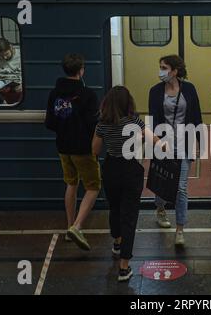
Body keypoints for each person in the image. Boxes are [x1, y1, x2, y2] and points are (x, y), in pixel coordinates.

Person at [93, 86, 166, 282]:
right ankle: (124, 267)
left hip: (111, 169)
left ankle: (117, 241)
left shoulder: (102, 123)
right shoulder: (134, 120)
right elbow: (156, 141)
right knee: (130, 216)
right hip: (131, 170)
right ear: (128, 103)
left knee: (114, 208)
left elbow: (95, 150)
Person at [45, 53, 100, 251]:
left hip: (63, 147)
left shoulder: (54, 93)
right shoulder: (88, 95)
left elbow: (50, 123)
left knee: (71, 184)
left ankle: (69, 225)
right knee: (93, 187)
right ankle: (77, 227)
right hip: (83, 149)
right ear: (81, 71)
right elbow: (93, 125)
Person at [149, 55, 203, 246]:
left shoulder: (189, 89)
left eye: (164, 67)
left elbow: (196, 116)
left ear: (175, 71)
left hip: (184, 142)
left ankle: (180, 229)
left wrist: (199, 143)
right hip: (163, 143)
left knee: (180, 188)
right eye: (160, 67)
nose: (161, 71)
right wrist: (155, 143)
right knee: (161, 183)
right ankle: (160, 208)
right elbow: (153, 119)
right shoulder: (155, 91)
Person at [0, 38, 23, 103]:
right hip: (3, 89)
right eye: (1, 56)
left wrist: (23, 85)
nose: (4, 57)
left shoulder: (21, 55)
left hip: (19, 87)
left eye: (7, 54)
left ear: (11, 47)